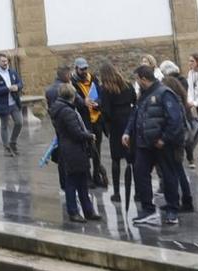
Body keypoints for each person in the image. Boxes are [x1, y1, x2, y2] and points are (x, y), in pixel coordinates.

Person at [122, 64, 186, 226]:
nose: (136, 82)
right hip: (144, 144)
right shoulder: (143, 95)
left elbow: (175, 120)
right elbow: (135, 115)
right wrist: (128, 132)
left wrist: (164, 139)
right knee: (140, 172)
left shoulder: (165, 93)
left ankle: (172, 209)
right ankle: (148, 209)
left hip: (162, 145)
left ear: (143, 79)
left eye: (137, 79)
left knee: (168, 175)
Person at [42, 82, 101, 222]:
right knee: (73, 182)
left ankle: (88, 210)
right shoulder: (67, 111)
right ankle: (74, 212)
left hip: (70, 149)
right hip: (73, 150)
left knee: (81, 182)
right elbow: (75, 132)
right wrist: (89, 135)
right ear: (72, 96)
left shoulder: (60, 108)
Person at [154, 60, 196, 213]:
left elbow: (174, 123)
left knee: (177, 171)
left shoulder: (172, 102)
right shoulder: (180, 98)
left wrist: (165, 138)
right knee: (179, 170)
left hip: (175, 140)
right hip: (181, 139)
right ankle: (185, 200)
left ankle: (184, 201)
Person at [97, 66, 138, 207]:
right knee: (131, 158)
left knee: (116, 159)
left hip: (115, 124)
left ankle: (116, 193)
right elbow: (134, 99)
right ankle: (138, 192)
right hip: (129, 121)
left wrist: (104, 122)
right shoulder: (127, 84)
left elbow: (106, 111)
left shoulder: (105, 89)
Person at [70, 57, 108, 187]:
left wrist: (98, 104)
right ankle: (87, 177)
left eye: (86, 68)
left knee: (97, 149)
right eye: (82, 69)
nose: (85, 71)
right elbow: (73, 100)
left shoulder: (93, 78)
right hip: (84, 120)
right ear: (76, 69)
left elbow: (100, 94)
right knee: (86, 150)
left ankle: (96, 175)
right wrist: (83, 103)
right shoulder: (72, 83)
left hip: (96, 119)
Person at [0, 52, 25, 156]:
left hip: (14, 102)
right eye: (3, 61)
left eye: (6, 61)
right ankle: (6, 148)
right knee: (4, 125)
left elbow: (20, 83)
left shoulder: (11, 71)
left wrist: (17, 87)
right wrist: (8, 88)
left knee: (19, 122)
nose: (5, 63)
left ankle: (13, 142)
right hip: (2, 104)